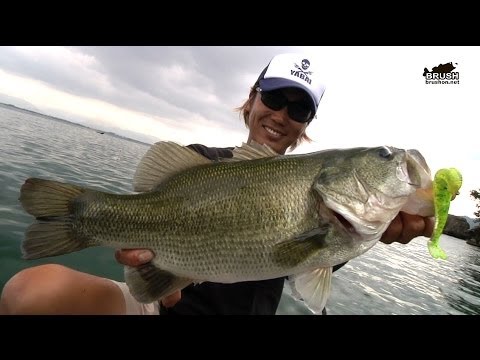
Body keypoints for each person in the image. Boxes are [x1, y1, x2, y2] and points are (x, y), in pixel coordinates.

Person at [0, 53, 435, 315]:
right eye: (275, 98)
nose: (282, 114)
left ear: (305, 128)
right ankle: (83, 220)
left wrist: (387, 230)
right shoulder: (200, 163)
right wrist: (156, 270)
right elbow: (145, 250)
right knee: (30, 292)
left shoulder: (340, 223)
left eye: (299, 110)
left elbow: (310, 268)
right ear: (251, 100)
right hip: (162, 310)